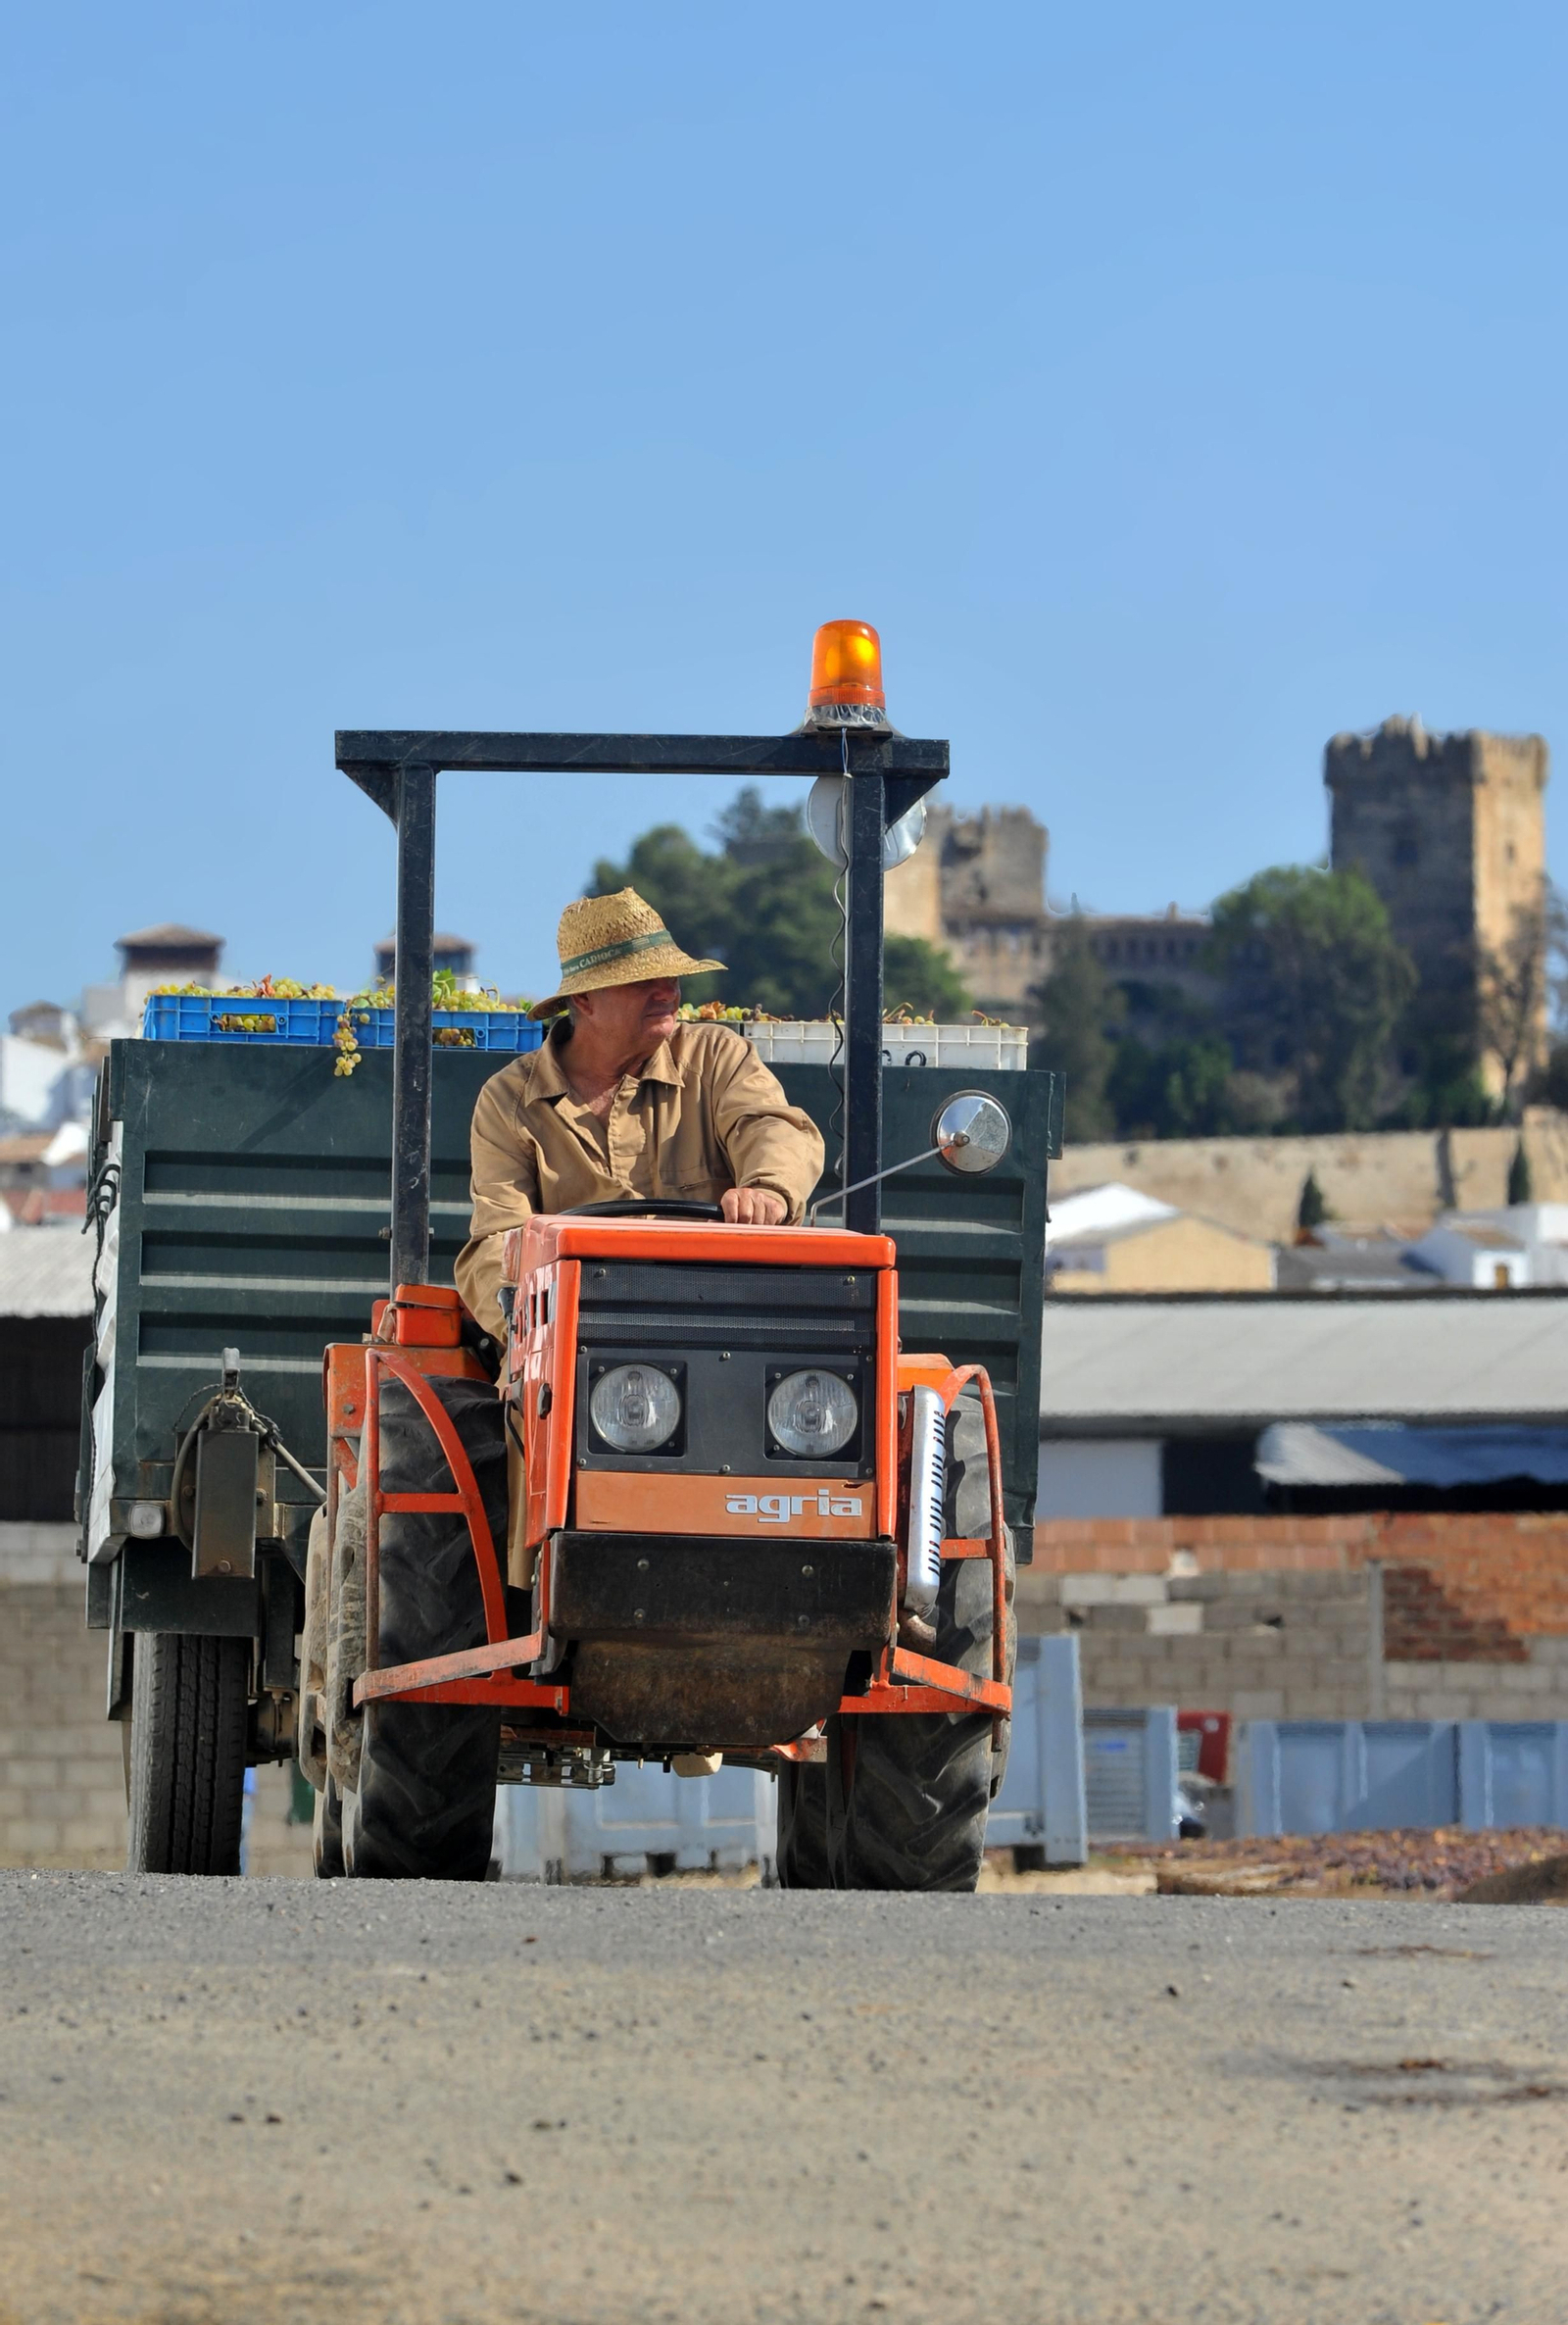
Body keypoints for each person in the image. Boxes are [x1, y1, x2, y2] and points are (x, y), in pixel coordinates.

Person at [455, 886, 825, 1339]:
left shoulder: (717, 1058)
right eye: (642, 980)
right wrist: (527, 1316)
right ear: (585, 999)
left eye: (672, 977)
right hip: (572, 1342)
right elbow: (498, 1239)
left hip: (719, 1331)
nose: (667, 991)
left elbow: (770, 1126)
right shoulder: (510, 1100)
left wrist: (768, 1190)